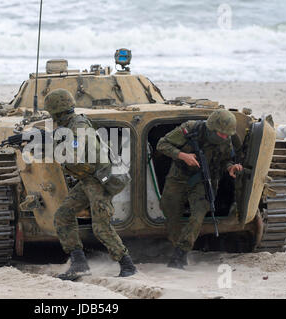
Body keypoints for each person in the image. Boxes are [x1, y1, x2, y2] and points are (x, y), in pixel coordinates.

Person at [43, 88, 137, 281]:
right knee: (64, 215)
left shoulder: (78, 126)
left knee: (101, 227)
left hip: (98, 181)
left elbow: (73, 154)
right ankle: (79, 264)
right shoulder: (70, 125)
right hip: (88, 180)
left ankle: (127, 264)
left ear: (56, 111)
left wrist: (48, 144)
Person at [157, 109, 243, 269]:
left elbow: (226, 160)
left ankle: (180, 254)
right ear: (212, 128)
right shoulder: (190, 128)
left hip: (204, 180)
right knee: (170, 211)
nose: (225, 137)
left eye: (227, 135)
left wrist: (231, 167)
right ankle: (177, 244)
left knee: (198, 216)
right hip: (179, 177)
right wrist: (183, 155)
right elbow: (162, 144)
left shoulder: (226, 139)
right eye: (222, 134)